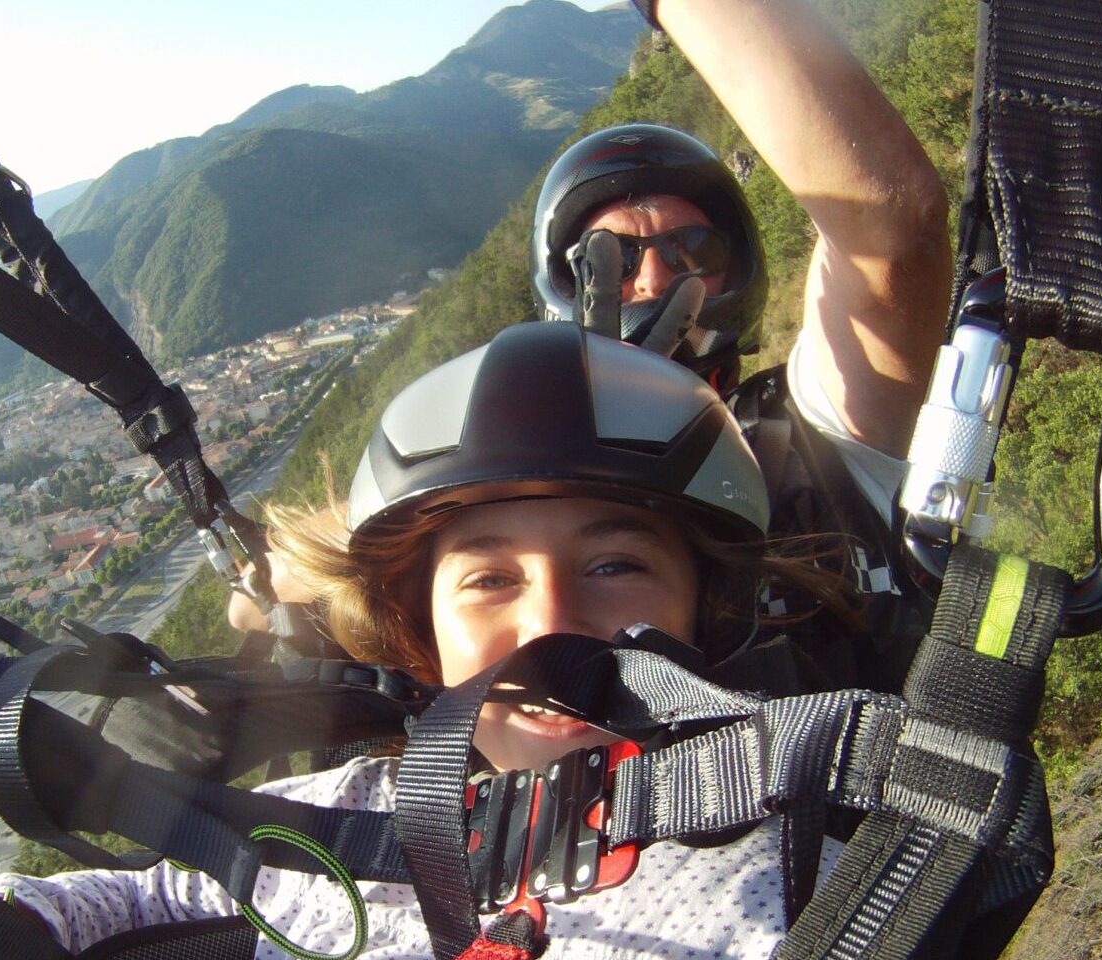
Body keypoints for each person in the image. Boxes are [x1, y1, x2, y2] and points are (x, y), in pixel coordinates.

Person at [0, 323, 988, 960]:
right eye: (489, 580)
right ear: (422, 634)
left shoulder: (785, 885)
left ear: (701, 615)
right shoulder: (340, 811)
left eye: (616, 564)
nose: (554, 622)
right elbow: (155, 888)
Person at [234, 0, 951, 690]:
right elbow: (277, 581)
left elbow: (892, 227)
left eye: (694, 249)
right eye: (611, 255)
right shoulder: (503, 468)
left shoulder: (818, 443)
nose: (657, 276)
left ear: (739, 275)